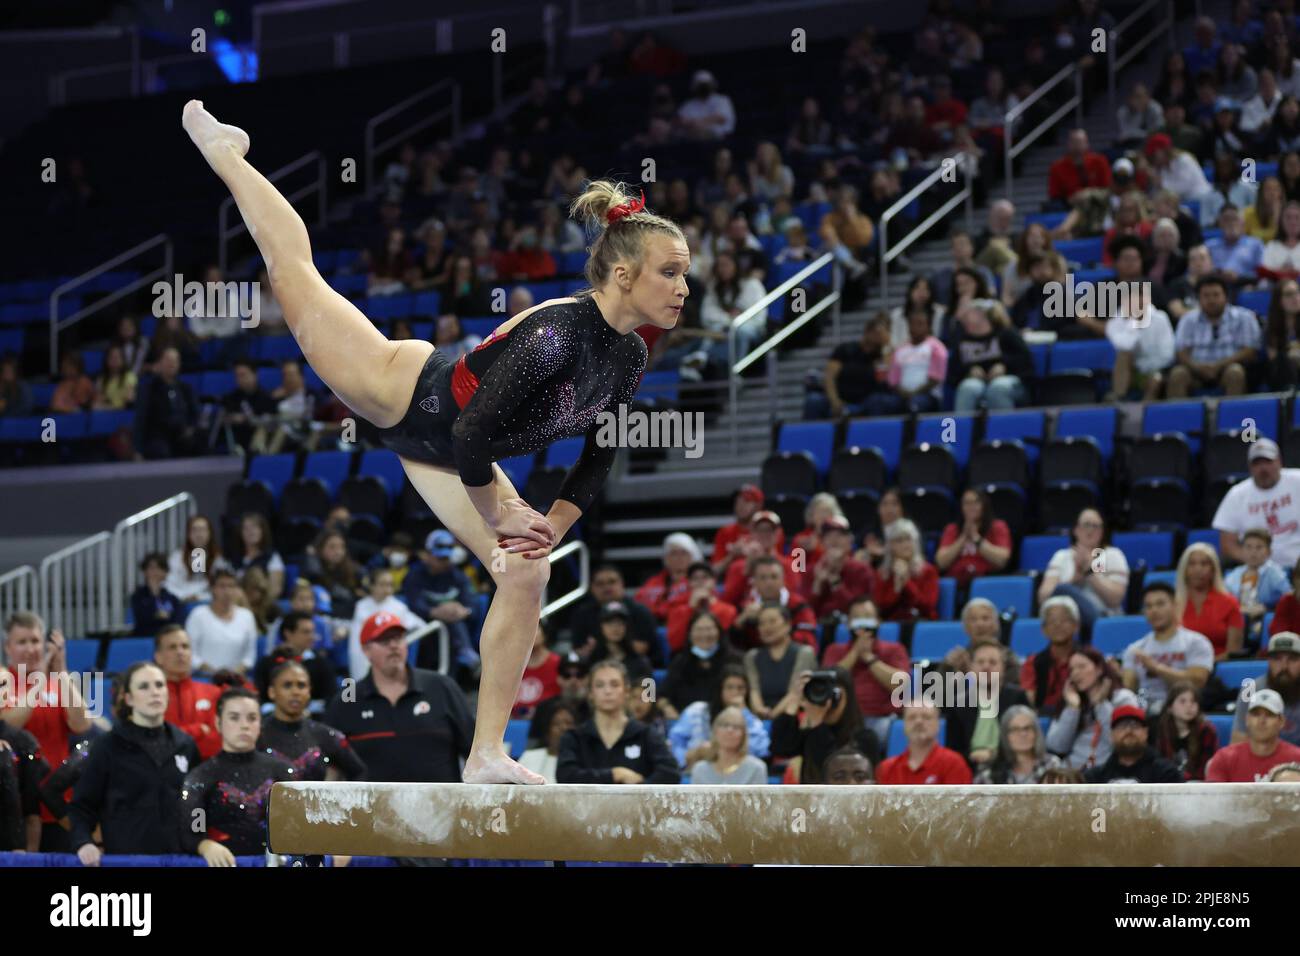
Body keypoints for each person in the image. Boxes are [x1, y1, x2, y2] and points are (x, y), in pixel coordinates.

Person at [184, 101, 688, 785]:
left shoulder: (629, 356)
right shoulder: (555, 335)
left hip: (448, 453)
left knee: (527, 572)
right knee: (293, 270)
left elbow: (601, 452)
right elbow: (471, 433)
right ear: (625, 275)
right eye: (671, 272)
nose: (684, 287)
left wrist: (548, 530)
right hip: (398, 390)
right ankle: (225, 155)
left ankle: (485, 754)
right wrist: (501, 515)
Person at [66, 662, 199, 864]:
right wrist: (84, 842)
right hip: (126, 861)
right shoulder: (107, 745)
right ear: (128, 698)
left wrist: (201, 840)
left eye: (159, 685)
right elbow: (81, 806)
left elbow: (199, 804)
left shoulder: (185, 744)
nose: (154, 692)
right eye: (144, 687)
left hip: (180, 860)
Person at [323, 611, 474, 783]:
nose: (393, 645)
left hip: (440, 807)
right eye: (384, 641)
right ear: (366, 650)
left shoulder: (442, 687)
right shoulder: (347, 699)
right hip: (370, 808)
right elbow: (331, 766)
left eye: (399, 638)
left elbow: (474, 748)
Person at [1, 612, 92, 852]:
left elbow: (81, 724)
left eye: (35, 641)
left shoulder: (58, 683)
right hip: (13, 807)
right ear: (7, 647)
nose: (30, 649)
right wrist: (40, 681)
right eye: (22, 642)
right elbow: (8, 725)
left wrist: (61, 672)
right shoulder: (4, 682)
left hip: (56, 805)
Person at [179, 685, 296, 865]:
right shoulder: (202, 776)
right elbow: (188, 832)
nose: (244, 725)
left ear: (260, 724)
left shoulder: (281, 771)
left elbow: (300, 824)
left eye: (252, 718)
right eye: (234, 717)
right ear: (218, 723)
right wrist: (204, 845)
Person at [556, 661, 680, 783]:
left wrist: (639, 788)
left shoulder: (646, 734)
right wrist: (614, 774)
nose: (608, 691)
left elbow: (670, 773)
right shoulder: (574, 737)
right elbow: (566, 775)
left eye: (614, 685)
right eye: (600, 685)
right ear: (590, 693)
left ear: (626, 691)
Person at [257, 657, 366, 782]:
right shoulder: (257, 735)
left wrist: (340, 799)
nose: (295, 692)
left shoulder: (324, 735)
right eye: (287, 685)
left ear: (309, 692)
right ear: (272, 692)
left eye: (301, 685)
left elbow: (359, 772)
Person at [770, 668, 881, 784]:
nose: (826, 702)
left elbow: (830, 769)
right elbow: (779, 749)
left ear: (848, 699)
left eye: (833, 695)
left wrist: (817, 723)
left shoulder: (865, 738)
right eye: (819, 693)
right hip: (813, 800)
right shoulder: (809, 732)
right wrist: (794, 699)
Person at [821, 597, 909, 742]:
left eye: (868, 617)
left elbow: (900, 685)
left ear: (878, 621)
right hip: (842, 719)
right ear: (848, 623)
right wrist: (855, 653)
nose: (862, 623)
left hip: (882, 719)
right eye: (857, 618)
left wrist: (869, 657)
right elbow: (828, 683)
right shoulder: (834, 650)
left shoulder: (894, 649)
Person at [1121, 581, 1214, 713]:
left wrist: (1157, 668)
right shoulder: (1135, 649)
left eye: (1160, 604)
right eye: (1148, 606)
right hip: (1145, 710)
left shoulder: (1196, 642)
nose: (1154, 610)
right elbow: (1129, 690)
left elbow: (1197, 682)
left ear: (1175, 606)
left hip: (1184, 710)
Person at [1037, 508, 1129, 638]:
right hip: (1065, 619)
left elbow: (1115, 599)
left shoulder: (1112, 554)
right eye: (1086, 525)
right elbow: (1043, 597)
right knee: (1063, 589)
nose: (1090, 530)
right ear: (1076, 530)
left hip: (1103, 616)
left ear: (1102, 531)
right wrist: (1075, 579)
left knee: (1063, 589)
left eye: (1096, 526)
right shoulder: (1062, 556)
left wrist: (1089, 571)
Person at [399, 529, 480, 678]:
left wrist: (461, 612)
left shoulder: (459, 576)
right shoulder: (414, 576)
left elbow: (473, 606)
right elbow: (413, 605)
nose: (444, 562)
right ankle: (467, 654)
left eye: (446, 558)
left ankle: (460, 664)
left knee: (452, 621)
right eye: (440, 558)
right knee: (445, 623)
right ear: (427, 555)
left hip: (455, 626)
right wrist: (435, 612)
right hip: (425, 630)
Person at [1045, 647, 1140, 770]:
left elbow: (1120, 742)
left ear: (1099, 669)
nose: (1075, 673)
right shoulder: (1070, 701)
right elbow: (1057, 746)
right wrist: (1073, 709)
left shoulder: (1123, 698)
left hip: (1110, 773)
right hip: (1074, 773)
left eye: (1081, 667)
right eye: (1071, 669)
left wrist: (1100, 705)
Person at [1215, 438, 1300, 569]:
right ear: (1250, 467)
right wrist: (1253, 560)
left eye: (1268, 462)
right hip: (1258, 570)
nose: (1263, 468)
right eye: (1257, 463)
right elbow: (1227, 544)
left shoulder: (1297, 480)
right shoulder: (1237, 494)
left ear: (1279, 461)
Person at [947, 641, 1031, 769]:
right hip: (970, 769)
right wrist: (972, 756)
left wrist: (994, 755)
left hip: (1011, 767)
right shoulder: (959, 704)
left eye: (993, 662)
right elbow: (953, 749)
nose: (986, 667)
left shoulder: (1017, 698)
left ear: (1003, 668)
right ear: (971, 668)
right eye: (980, 662)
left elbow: (1028, 740)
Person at [668, 664, 769, 767]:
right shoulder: (696, 711)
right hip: (695, 769)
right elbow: (675, 742)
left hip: (735, 772)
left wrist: (743, 713)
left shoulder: (751, 720)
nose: (735, 693)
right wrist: (689, 755)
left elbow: (761, 750)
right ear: (720, 689)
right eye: (729, 687)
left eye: (740, 688)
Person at [946, 300, 1033, 412]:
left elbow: (1027, 364)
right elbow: (952, 374)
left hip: (1011, 382)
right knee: (967, 388)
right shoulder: (963, 340)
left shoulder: (1007, 334)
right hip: (977, 382)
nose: (965, 317)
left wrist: (1004, 366)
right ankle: (963, 428)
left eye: (970, 313)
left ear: (982, 315)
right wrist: (968, 370)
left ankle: (1003, 428)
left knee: (998, 388)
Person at [152, 624, 223, 760]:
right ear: (158, 657)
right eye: (172, 647)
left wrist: (175, 736)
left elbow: (217, 743)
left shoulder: (213, 693)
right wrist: (199, 730)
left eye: (185, 646)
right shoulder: (151, 696)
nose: (180, 652)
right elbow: (156, 744)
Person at [803, 314, 892, 419]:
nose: (879, 336)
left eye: (883, 333)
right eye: (876, 332)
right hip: (839, 398)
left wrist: (886, 346)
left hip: (864, 402)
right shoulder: (846, 349)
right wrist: (834, 400)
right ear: (867, 331)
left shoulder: (880, 357)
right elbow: (829, 377)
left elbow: (883, 380)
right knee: (814, 400)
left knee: (879, 401)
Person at [567, 563, 660, 659]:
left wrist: (600, 646)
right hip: (595, 666)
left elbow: (643, 648)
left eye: (612, 582)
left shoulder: (640, 611)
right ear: (592, 588)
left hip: (635, 665)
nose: (607, 588)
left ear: (622, 584)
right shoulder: (582, 614)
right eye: (600, 584)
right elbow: (578, 650)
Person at [348, 568, 425, 682]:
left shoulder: (398, 607)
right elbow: (355, 641)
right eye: (382, 585)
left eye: (390, 585)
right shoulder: (361, 607)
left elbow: (421, 626)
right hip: (367, 655)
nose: (387, 589)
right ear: (372, 586)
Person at [1205, 688, 1300, 781]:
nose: (1261, 721)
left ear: (1281, 721)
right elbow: (1212, 796)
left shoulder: (1297, 758)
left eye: (1269, 715)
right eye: (1256, 714)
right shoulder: (1224, 759)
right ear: (1247, 719)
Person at [660, 611, 739, 720]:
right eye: (699, 629)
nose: (704, 634)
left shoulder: (734, 660)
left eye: (709, 629)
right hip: (684, 722)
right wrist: (668, 709)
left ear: (719, 632)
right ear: (690, 634)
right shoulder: (679, 662)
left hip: (725, 722)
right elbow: (662, 696)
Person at [744, 605, 818, 718]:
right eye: (761, 623)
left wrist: (773, 716)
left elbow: (795, 692)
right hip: (760, 716)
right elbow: (754, 690)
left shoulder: (804, 653)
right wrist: (760, 711)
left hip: (793, 715)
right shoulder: (752, 656)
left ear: (788, 624)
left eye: (772, 621)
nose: (766, 627)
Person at [1174, 542, 1244, 660]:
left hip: (1219, 669)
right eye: (1192, 564)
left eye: (1204, 564)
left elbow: (1234, 651)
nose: (1198, 569)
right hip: (1180, 670)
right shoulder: (1172, 605)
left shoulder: (1229, 603)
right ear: (1184, 570)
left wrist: (1203, 666)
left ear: (1213, 569)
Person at [184, 569, 259, 678]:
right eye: (222, 586)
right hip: (204, 677)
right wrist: (215, 673)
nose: (227, 591)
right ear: (213, 589)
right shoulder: (198, 615)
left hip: (236, 679)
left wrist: (233, 674)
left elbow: (249, 657)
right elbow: (191, 653)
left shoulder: (247, 616)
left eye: (231, 586)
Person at [874, 703, 973, 784]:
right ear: (903, 725)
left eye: (926, 717)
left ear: (938, 724)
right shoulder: (886, 768)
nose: (919, 722)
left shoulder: (954, 764)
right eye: (912, 717)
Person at [1083, 704, 1183, 783]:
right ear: (1111, 735)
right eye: (1122, 726)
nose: (1129, 730)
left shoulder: (1166, 774)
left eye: (1135, 725)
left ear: (1146, 733)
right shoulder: (1096, 778)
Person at [253, 616, 339, 707]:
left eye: (312, 632)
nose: (312, 637)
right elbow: (260, 697)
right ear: (288, 633)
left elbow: (331, 698)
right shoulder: (267, 663)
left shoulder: (322, 663)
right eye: (306, 632)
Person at [1231, 632, 1300, 746]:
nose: (1284, 666)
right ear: (1268, 661)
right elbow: (1239, 741)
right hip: (1260, 760)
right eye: (1277, 659)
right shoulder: (1250, 689)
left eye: (1292, 659)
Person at [0, 684, 47, 852]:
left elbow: (31, 811)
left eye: (3, 686)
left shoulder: (22, 741)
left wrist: (28, 857)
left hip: (10, 849)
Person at [134, 347, 203, 459]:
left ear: (179, 364)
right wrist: (137, 449)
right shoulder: (149, 389)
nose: (172, 364)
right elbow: (140, 418)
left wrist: (191, 428)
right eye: (168, 360)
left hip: (181, 434)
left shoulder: (186, 389)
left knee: (199, 442)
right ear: (160, 363)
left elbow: (195, 414)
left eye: (175, 361)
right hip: (157, 436)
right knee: (161, 451)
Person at [935, 488, 1012, 588]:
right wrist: (963, 537)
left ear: (984, 505)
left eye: (976, 502)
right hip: (957, 584)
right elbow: (941, 562)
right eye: (966, 503)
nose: (971, 507)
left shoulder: (997, 526)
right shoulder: (952, 529)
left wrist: (976, 538)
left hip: (987, 582)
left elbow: (1002, 560)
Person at [1019, 596, 1083, 717]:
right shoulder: (1033, 662)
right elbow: (1030, 701)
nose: (1058, 625)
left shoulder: (1088, 660)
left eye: (1064, 619)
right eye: (1052, 621)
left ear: (1076, 626)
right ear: (1043, 629)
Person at [973, 704, 1061, 783]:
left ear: (1036, 732)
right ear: (1005, 735)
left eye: (1027, 728)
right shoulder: (989, 771)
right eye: (1015, 729)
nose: (1023, 734)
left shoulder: (1052, 765)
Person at [872, 519, 939, 621]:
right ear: (891, 546)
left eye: (908, 539)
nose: (905, 545)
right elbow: (881, 608)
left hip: (922, 623)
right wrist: (896, 587)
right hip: (892, 623)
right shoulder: (882, 573)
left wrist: (906, 582)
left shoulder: (928, 571)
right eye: (899, 541)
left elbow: (927, 606)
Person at [664, 562, 737, 655]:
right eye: (695, 578)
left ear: (714, 581)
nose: (700, 581)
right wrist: (690, 609)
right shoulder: (676, 609)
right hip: (688, 656)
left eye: (705, 577)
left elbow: (723, 641)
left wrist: (711, 605)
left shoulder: (728, 610)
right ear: (689, 583)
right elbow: (675, 644)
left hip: (720, 656)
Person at [1151, 681, 1218, 780]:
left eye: (1193, 701)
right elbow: (1157, 764)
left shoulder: (1207, 731)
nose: (1189, 706)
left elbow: (1208, 767)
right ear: (1170, 707)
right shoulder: (1160, 730)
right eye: (1183, 701)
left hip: (1198, 785)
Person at [636, 532, 702, 621]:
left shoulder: (699, 581)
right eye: (673, 553)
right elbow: (640, 603)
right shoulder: (653, 582)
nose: (679, 557)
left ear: (693, 557)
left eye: (683, 553)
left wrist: (661, 609)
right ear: (666, 558)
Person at [1048, 129, 1113, 205]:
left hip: (1098, 203)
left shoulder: (1100, 161)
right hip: (1069, 206)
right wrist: (1069, 200)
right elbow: (1054, 195)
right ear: (1068, 144)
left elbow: (1108, 188)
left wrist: (1090, 194)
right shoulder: (1057, 167)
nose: (1077, 146)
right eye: (1074, 142)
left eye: (1080, 142)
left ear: (1087, 143)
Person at [518, 701, 576, 784]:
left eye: (569, 723)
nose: (564, 728)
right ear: (547, 731)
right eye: (556, 724)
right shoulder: (529, 757)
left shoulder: (584, 760)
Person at [231, 513, 285, 601]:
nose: (251, 532)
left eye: (255, 527)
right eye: (246, 528)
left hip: (262, 605)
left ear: (262, 531)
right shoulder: (233, 558)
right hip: (237, 604)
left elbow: (275, 590)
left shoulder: (272, 557)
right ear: (240, 533)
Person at [512, 623, 561, 719]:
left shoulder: (557, 662)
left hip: (548, 719)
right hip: (515, 721)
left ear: (544, 634)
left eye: (536, 629)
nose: (531, 633)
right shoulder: (512, 665)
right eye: (527, 629)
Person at [129, 552, 184, 637]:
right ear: (144, 571)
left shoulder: (173, 598)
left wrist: (157, 616)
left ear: (166, 573)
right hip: (145, 639)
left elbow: (177, 623)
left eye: (159, 568)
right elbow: (143, 621)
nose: (155, 572)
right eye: (151, 568)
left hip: (168, 639)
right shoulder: (137, 596)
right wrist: (154, 594)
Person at [92, 344, 137, 410]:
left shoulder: (130, 377)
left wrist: (110, 407)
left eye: (117, 357)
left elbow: (129, 403)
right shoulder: (101, 379)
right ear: (106, 360)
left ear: (123, 360)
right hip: (107, 413)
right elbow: (97, 402)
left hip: (123, 414)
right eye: (111, 357)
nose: (114, 360)